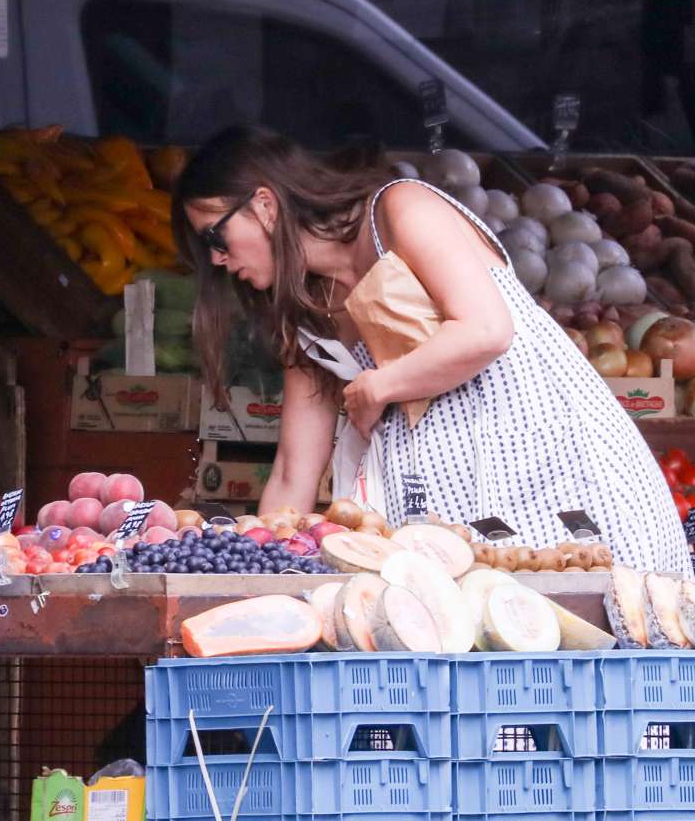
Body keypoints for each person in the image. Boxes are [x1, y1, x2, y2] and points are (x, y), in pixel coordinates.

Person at [176, 126, 687, 575]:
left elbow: (485, 329)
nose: (218, 260)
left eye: (215, 237)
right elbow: (292, 471)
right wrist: (255, 571)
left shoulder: (400, 210)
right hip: (453, 533)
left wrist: (380, 385)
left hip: (562, 477)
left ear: (265, 204)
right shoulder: (306, 311)